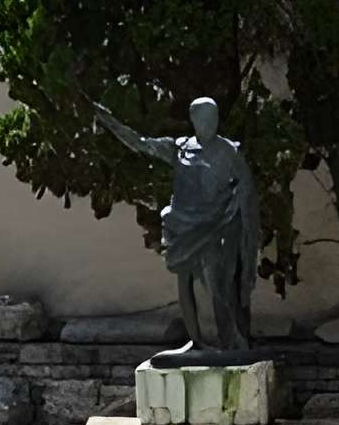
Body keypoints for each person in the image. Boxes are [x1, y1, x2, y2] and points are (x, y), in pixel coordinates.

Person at [92, 96, 259, 365]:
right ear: (194, 120)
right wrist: (109, 120)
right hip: (182, 225)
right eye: (204, 119)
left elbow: (247, 196)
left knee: (217, 284)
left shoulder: (230, 152)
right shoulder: (179, 148)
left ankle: (231, 342)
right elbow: (140, 143)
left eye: (214, 118)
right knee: (184, 282)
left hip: (215, 226)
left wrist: (249, 239)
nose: (210, 124)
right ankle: (195, 340)